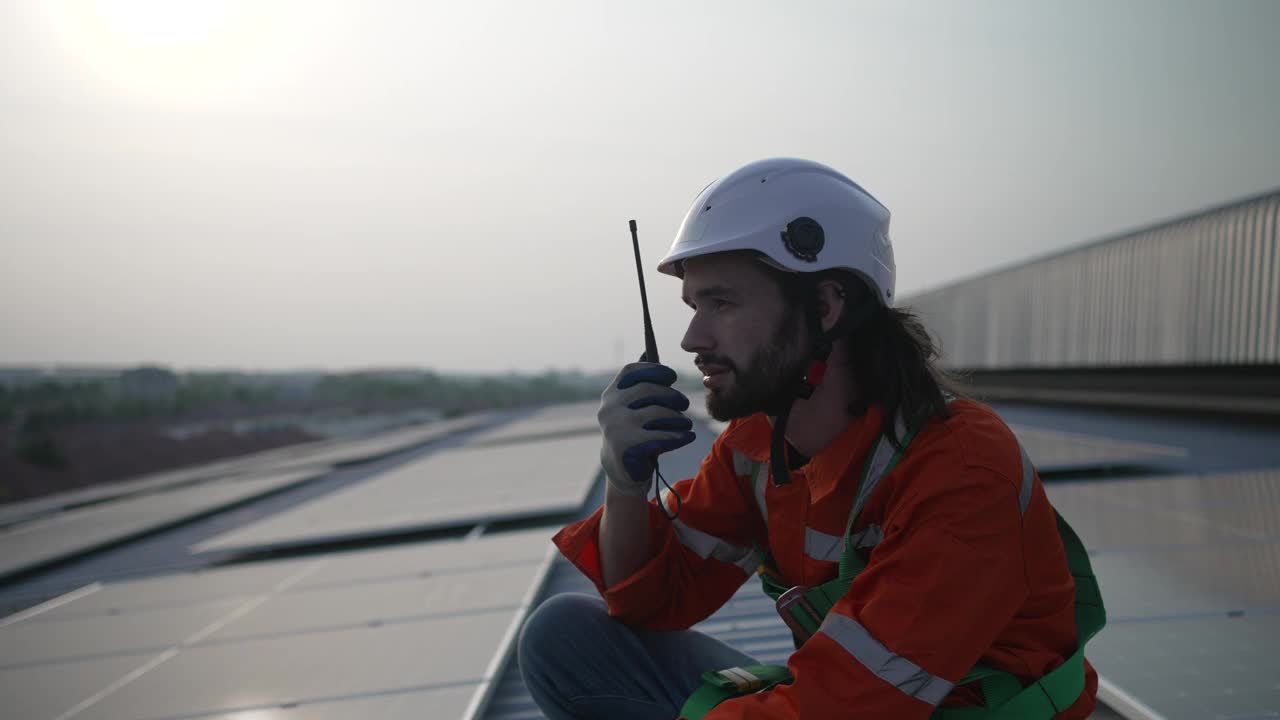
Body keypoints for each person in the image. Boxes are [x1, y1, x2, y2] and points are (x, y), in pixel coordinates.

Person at [518, 158, 1103, 720]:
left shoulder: (963, 472)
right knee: (565, 639)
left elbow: (849, 708)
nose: (693, 336)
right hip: (855, 703)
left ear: (824, 306)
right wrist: (625, 483)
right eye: (694, 306)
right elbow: (648, 601)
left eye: (721, 302)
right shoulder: (758, 447)